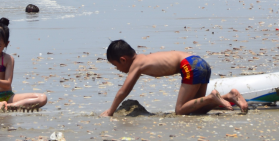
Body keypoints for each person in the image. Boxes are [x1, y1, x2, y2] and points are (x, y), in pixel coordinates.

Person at [101, 40, 247, 117]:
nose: (118, 70)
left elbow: (124, 91)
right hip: (199, 62)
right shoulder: (144, 58)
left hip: (188, 65)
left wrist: (110, 111)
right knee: (196, 109)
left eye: (116, 66)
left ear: (123, 59)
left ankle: (212, 97)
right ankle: (230, 96)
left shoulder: (137, 63)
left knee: (180, 110)